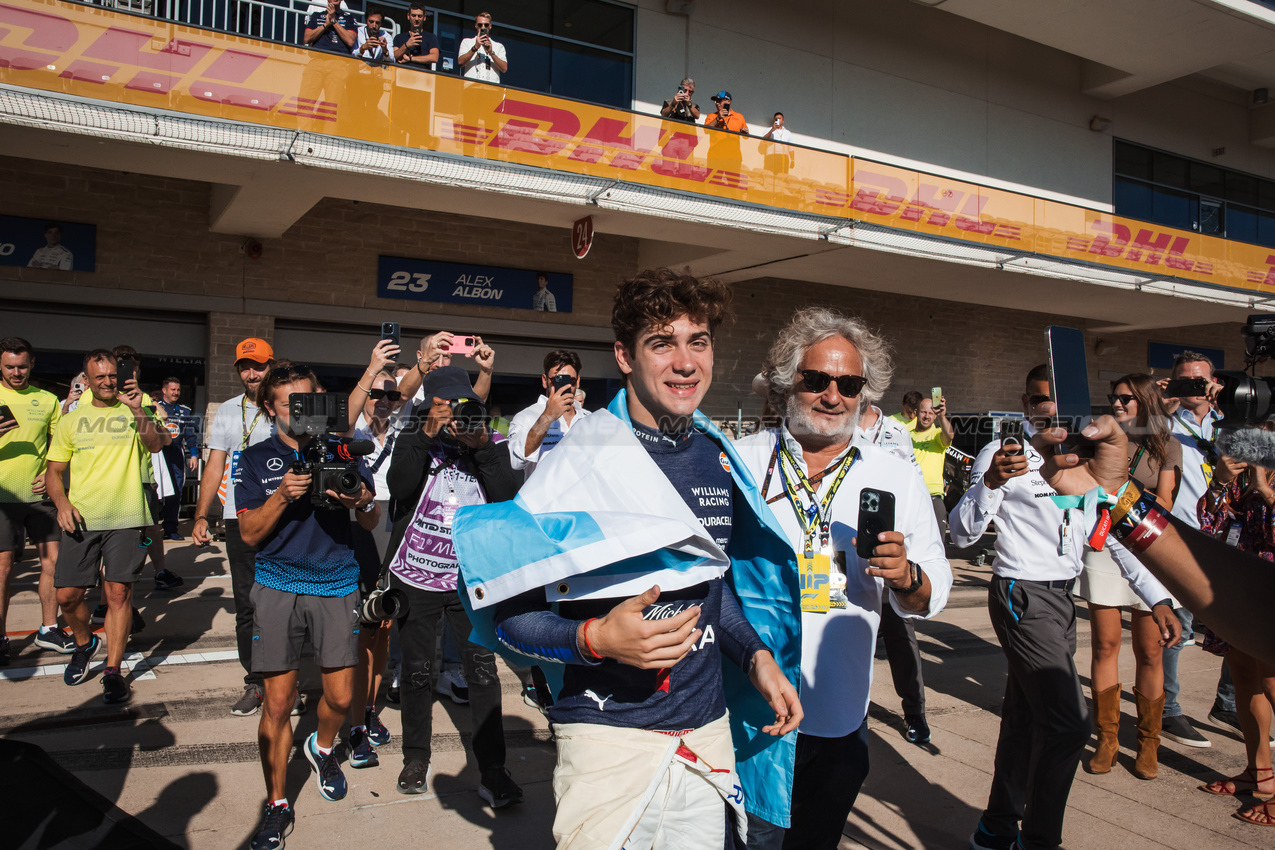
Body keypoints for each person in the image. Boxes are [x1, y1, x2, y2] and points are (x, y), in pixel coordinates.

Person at [455, 268, 803, 848]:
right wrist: (595, 640)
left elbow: (716, 588)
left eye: (699, 342)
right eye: (662, 343)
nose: (685, 362)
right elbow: (511, 615)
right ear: (624, 355)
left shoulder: (717, 455)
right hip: (607, 740)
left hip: (707, 734)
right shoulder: (579, 461)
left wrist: (756, 656)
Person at [737, 307, 952, 849]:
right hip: (748, 713)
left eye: (848, 383)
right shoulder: (741, 464)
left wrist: (905, 577)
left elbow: (934, 590)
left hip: (837, 715)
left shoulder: (894, 477)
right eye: (816, 379)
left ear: (864, 392)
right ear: (790, 383)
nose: (832, 395)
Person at [951, 364, 1179, 850]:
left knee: (1025, 716)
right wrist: (989, 482)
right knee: (1070, 722)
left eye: (1058, 400)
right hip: (1019, 594)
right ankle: (1039, 839)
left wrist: (1156, 593)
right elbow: (963, 533)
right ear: (1025, 403)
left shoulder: (1084, 458)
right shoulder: (1002, 453)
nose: (1050, 409)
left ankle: (995, 827)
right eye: (1039, 400)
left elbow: (1112, 534)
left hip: (1060, 598)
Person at [235, 361, 378, 850]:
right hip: (277, 586)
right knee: (276, 705)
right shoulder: (254, 460)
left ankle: (321, 748)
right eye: (289, 402)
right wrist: (280, 496)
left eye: (308, 398)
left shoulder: (340, 447)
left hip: (337, 583)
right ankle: (276, 804)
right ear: (270, 408)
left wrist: (358, 497)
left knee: (339, 699)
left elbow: (371, 515)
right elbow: (250, 533)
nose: (301, 409)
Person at [383, 366, 523, 805]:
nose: (459, 416)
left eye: (467, 407)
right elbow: (399, 485)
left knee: (482, 672)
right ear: (430, 406)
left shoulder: (487, 441)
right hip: (415, 576)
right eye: (449, 406)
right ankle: (416, 758)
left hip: (471, 578)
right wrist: (426, 432)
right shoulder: (412, 435)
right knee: (418, 671)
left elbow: (506, 496)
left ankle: (493, 771)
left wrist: (480, 445)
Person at [45, 350, 168, 704]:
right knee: (67, 595)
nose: (107, 381)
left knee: (118, 595)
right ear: (86, 379)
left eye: (112, 375)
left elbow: (157, 444)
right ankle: (85, 644)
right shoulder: (71, 419)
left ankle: (113, 670)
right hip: (82, 516)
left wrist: (135, 409)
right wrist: (62, 503)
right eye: (99, 377)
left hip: (127, 516)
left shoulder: (135, 410)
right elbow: (54, 472)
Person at [1078, 374, 1182, 780]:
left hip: (1149, 546)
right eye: (1114, 398)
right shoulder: (1097, 438)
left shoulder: (1165, 443)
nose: (1118, 405)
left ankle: (1148, 742)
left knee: (1151, 650)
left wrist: (1127, 498)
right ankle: (1107, 739)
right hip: (1103, 545)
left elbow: (1168, 500)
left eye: (1126, 399)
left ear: (1144, 401)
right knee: (1104, 644)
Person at [192, 338, 276, 716]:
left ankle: (284, 677)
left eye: (257, 365)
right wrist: (201, 514)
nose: (251, 373)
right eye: (244, 366)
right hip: (238, 516)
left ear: (271, 366)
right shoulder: (228, 410)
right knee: (247, 604)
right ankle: (256, 681)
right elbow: (215, 465)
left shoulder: (284, 408)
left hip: (280, 515)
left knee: (284, 601)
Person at [1195, 435, 1275, 826]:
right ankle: (1259, 773)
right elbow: (1211, 524)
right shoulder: (1246, 483)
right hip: (1244, 588)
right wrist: (1221, 482)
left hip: (1271, 591)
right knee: (1245, 676)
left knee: (1274, 684)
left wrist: (1268, 493)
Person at [345, 348, 415, 771]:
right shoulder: (350, 428)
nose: (383, 402)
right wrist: (372, 368)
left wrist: (422, 367)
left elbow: (405, 393)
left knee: (383, 629)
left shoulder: (404, 427)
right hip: (357, 530)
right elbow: (353, 406)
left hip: (396, 528)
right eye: (376, 395)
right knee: (358, 634)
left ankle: (369, 711)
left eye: (391, 397)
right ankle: (355, 718)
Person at [856, 379, 933, 746]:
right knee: (850, 635)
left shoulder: (897, 431)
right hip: (847, 549)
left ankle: (914, 712)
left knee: (902, 637)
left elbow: (914, 484)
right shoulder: (835, 428)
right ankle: (852, 711)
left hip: (890, 545)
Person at [1158, 350, 1223, 748]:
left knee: (1242, 628)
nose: (1195, 389)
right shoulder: (1161, 421)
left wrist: (1228, 409)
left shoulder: (1228, 421)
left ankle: (1228, 704)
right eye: (1187, 381)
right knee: (1176, 629)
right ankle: (1168, 710)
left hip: (1225, 533)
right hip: (1180, 534)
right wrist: (1159, 407)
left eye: (1202, 381)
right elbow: (1135, 440)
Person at [0, 337, 72, 665]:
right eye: (10, 367)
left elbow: (60, 444)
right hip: (2, 499)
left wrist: (50, 471)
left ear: (32, 365)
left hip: (40, 497)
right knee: (2, 570)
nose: (16, 372)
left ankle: (48, 628)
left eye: (22, 366)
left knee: (53, 565)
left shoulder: (47, 400)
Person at [507, 349, 586, 479]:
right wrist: (548, 416)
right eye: (557, 381)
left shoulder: (588, 417)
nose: (564, 387)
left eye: (570, 381)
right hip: (540, 499)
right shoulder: (526, 416)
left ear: (577, 382)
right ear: (545, 381)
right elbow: (516, 462)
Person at [155, 377, 199, 543]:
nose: (176, 393)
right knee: (154, 492)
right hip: (158, 454)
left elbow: (189, 435)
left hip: (176, 455)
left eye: (178, 390)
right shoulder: (155, 407)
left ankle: (171, 528)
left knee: (175, 492)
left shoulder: (185, 411)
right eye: (172, 389)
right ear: (164, 390)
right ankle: (150, 527)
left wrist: (193, 454)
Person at [911, 393, 954, 531]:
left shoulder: (937, 434)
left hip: (933, 496)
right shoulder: (906, 435)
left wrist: (942, 416)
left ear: (935, 416)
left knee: (938, 545)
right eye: (924, 412)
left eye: (931, 413)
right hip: (912, 495)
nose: (927, 416)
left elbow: (949, 436)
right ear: (916, 412)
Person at [457, 12, 507, 84]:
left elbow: (504, 68)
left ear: (490, 26)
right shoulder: (467, 42)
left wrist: (491, 52)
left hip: (492, 88)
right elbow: (460, 62)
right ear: (476, 26)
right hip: (471, 87)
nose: (483, 27)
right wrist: (475, 47)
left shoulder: (498, 46)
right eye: (480, 25)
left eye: (486, 25)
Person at [393, 2, 440, 69]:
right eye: (413, 15)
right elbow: (394, 56)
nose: (417, 19)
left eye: (419, 16)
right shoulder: (399, 37)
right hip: (402, 75)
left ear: (424, 17)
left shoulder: (431, 37)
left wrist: (411, 58)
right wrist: (407, 45)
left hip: (423, 76)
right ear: (408, 16)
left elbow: (434, 58)